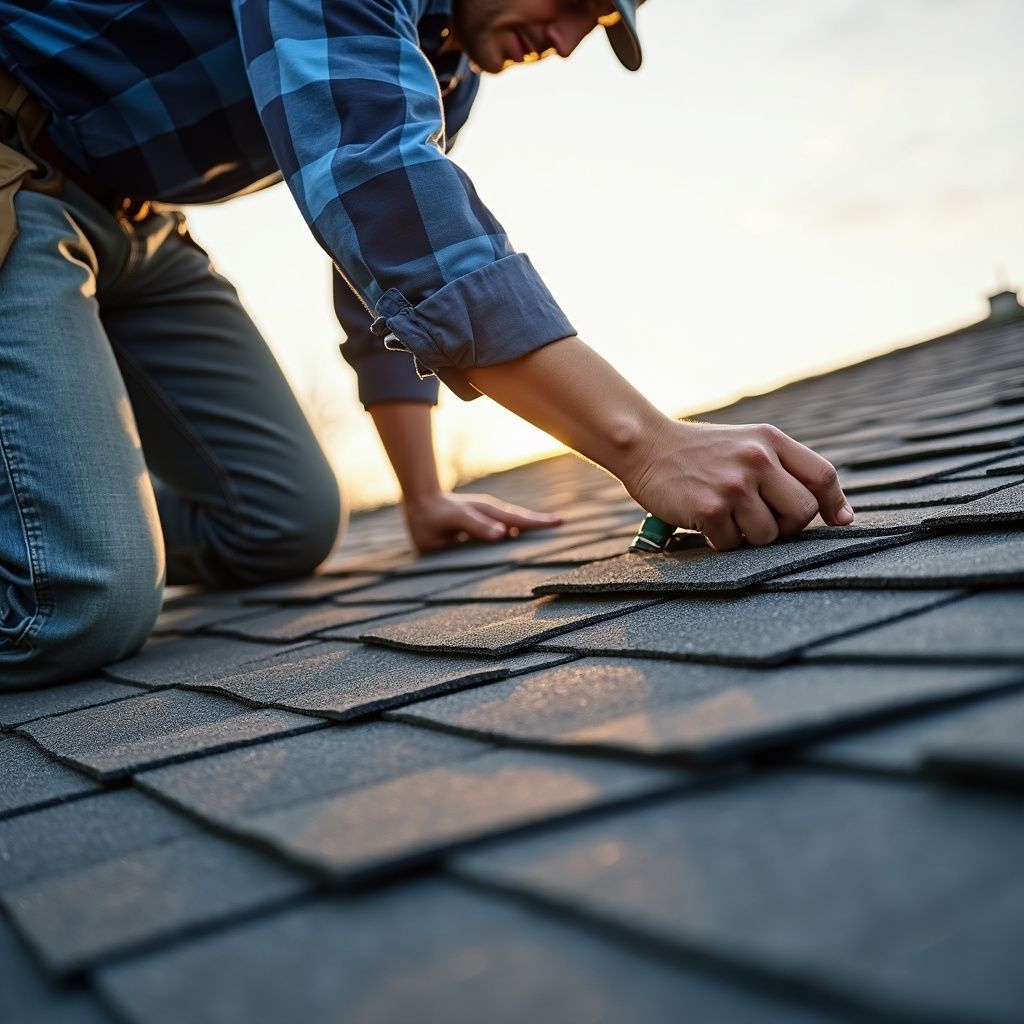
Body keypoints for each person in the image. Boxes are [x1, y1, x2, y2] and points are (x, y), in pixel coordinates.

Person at [0, 0, 852, 688]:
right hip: (14, 165)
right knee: (71, 604)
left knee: (276, 526)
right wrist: (647, 444)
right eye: (571, 5)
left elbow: (372, 265)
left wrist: (422, 494)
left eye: (590, 30)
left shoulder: (445, 61)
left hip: (134, 223)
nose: (562, 43)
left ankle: (43, 508)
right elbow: (377, 181)